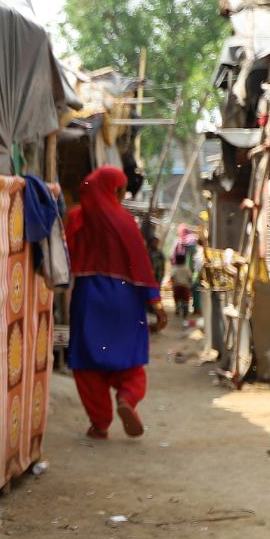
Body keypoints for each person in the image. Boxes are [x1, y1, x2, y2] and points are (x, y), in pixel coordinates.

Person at [65, 166, 168, 440]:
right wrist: (156, 304)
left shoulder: (76, 218)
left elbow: (64, 254)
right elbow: (142, 267)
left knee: (87, 363)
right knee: (129, 362)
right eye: (120, 190)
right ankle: (127, 397)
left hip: (88, 298)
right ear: (115, 190)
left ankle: (99, 423)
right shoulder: (125, 223)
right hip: (125, 300)